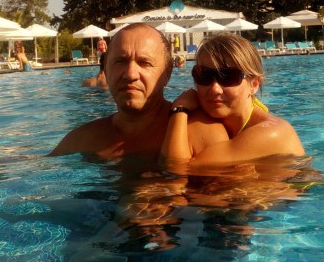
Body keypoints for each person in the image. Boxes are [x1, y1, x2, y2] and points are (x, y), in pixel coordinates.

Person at [50, 23, 227, 162]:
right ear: (106, 70)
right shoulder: (83, 140)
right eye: (120, 62)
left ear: (167, 73)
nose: (130, 74)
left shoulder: (201, 134)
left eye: (144, 63)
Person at [161, 34, 305, 168]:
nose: (215, 89)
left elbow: (179, 169)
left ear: (254, 85)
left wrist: (179, 110)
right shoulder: (206, 123)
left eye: (228, 77)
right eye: (204, 76)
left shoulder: (272, 132)